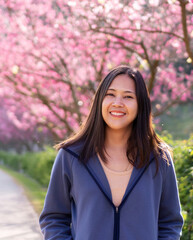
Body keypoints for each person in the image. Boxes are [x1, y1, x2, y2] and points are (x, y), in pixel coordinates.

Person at [39, 65, 183, 240]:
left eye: (128, 96)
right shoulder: (71, 155)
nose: (117, 103)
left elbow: (170, 223)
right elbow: (54, 218)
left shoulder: (159, 159)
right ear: (100, 100)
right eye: (110, 94)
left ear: (140, 105)